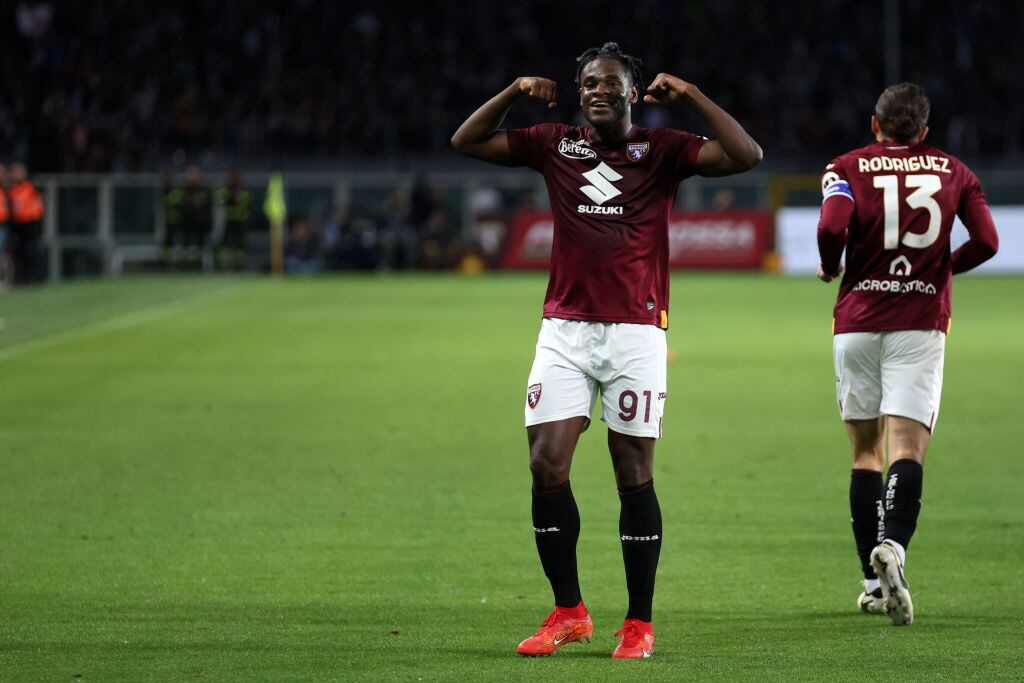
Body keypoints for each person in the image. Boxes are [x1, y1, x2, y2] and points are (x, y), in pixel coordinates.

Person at [451, 41, 761, 658]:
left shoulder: (664, 149)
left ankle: (638, 624)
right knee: (546, 463)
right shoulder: (552, 143)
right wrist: (514, 91)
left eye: (611, 83)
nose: (598, 90)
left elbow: (747, 154)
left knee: (633, 471)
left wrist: (693, 96)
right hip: (564, 329)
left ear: (631, 93)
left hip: (637, 332)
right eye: (589, 81)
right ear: (578, 90)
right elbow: (466, 140)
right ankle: (569, 611)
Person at [816, 83, 998, 626]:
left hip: (857, 322)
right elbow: (987, 241)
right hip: (919, 322)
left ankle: (873, 584)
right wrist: (941, 269)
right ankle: (892, 546)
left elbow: (831, 224)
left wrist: (833, 264)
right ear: (923, 131)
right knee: (907, 447)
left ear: (875, 125)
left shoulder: (845, 166)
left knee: (865, 451)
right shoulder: (955, 172)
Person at [7, 162, 46, 284]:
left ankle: (35, 278)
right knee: (20, 253)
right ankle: (22, 279)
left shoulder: (31, 186)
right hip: (18, 224)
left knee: (33, 251)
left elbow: (41, 198)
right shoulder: (12, 189)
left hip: (32, 223)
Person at [216, 169, 252, 270]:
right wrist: (232, 195)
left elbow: (248, 205)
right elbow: (221, 199)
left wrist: (247, 216)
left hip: (240, 221)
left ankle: (239, 265)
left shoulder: (245, 190)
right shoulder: (226, 190)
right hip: (229, 220)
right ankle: (223, 264)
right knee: (226, 243)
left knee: (240, 245)